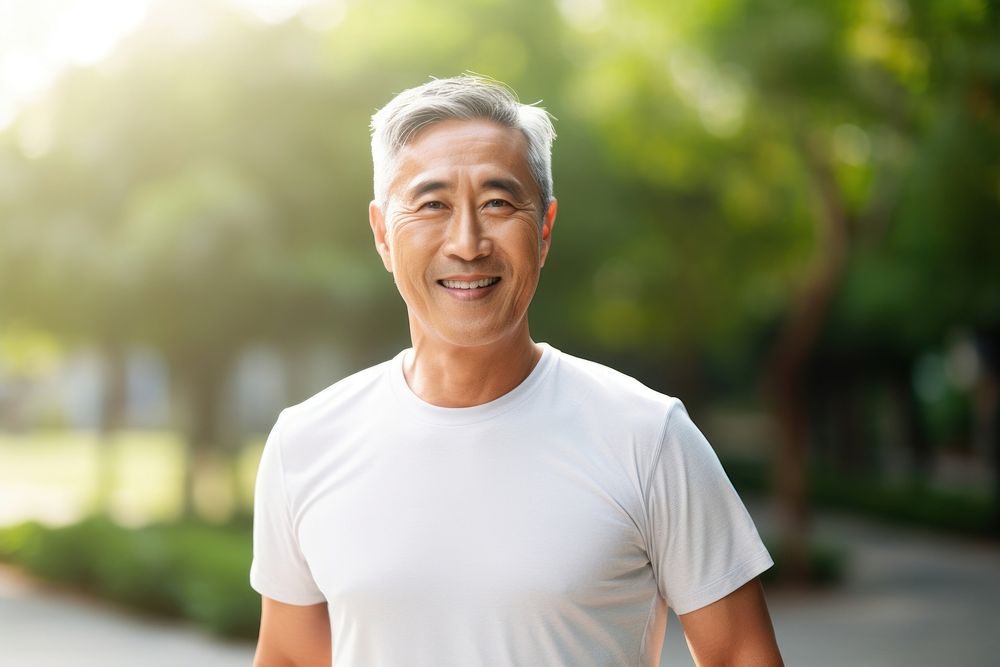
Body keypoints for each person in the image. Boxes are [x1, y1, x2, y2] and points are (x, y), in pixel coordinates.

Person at [250, 74, 783, 667]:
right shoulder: (305, 443)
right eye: (432, 205)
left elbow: (742, 655)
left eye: (498, 203)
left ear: (545, 227)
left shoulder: (647, 436)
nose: (468, 243)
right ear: (381, 233)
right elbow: (290, 659)